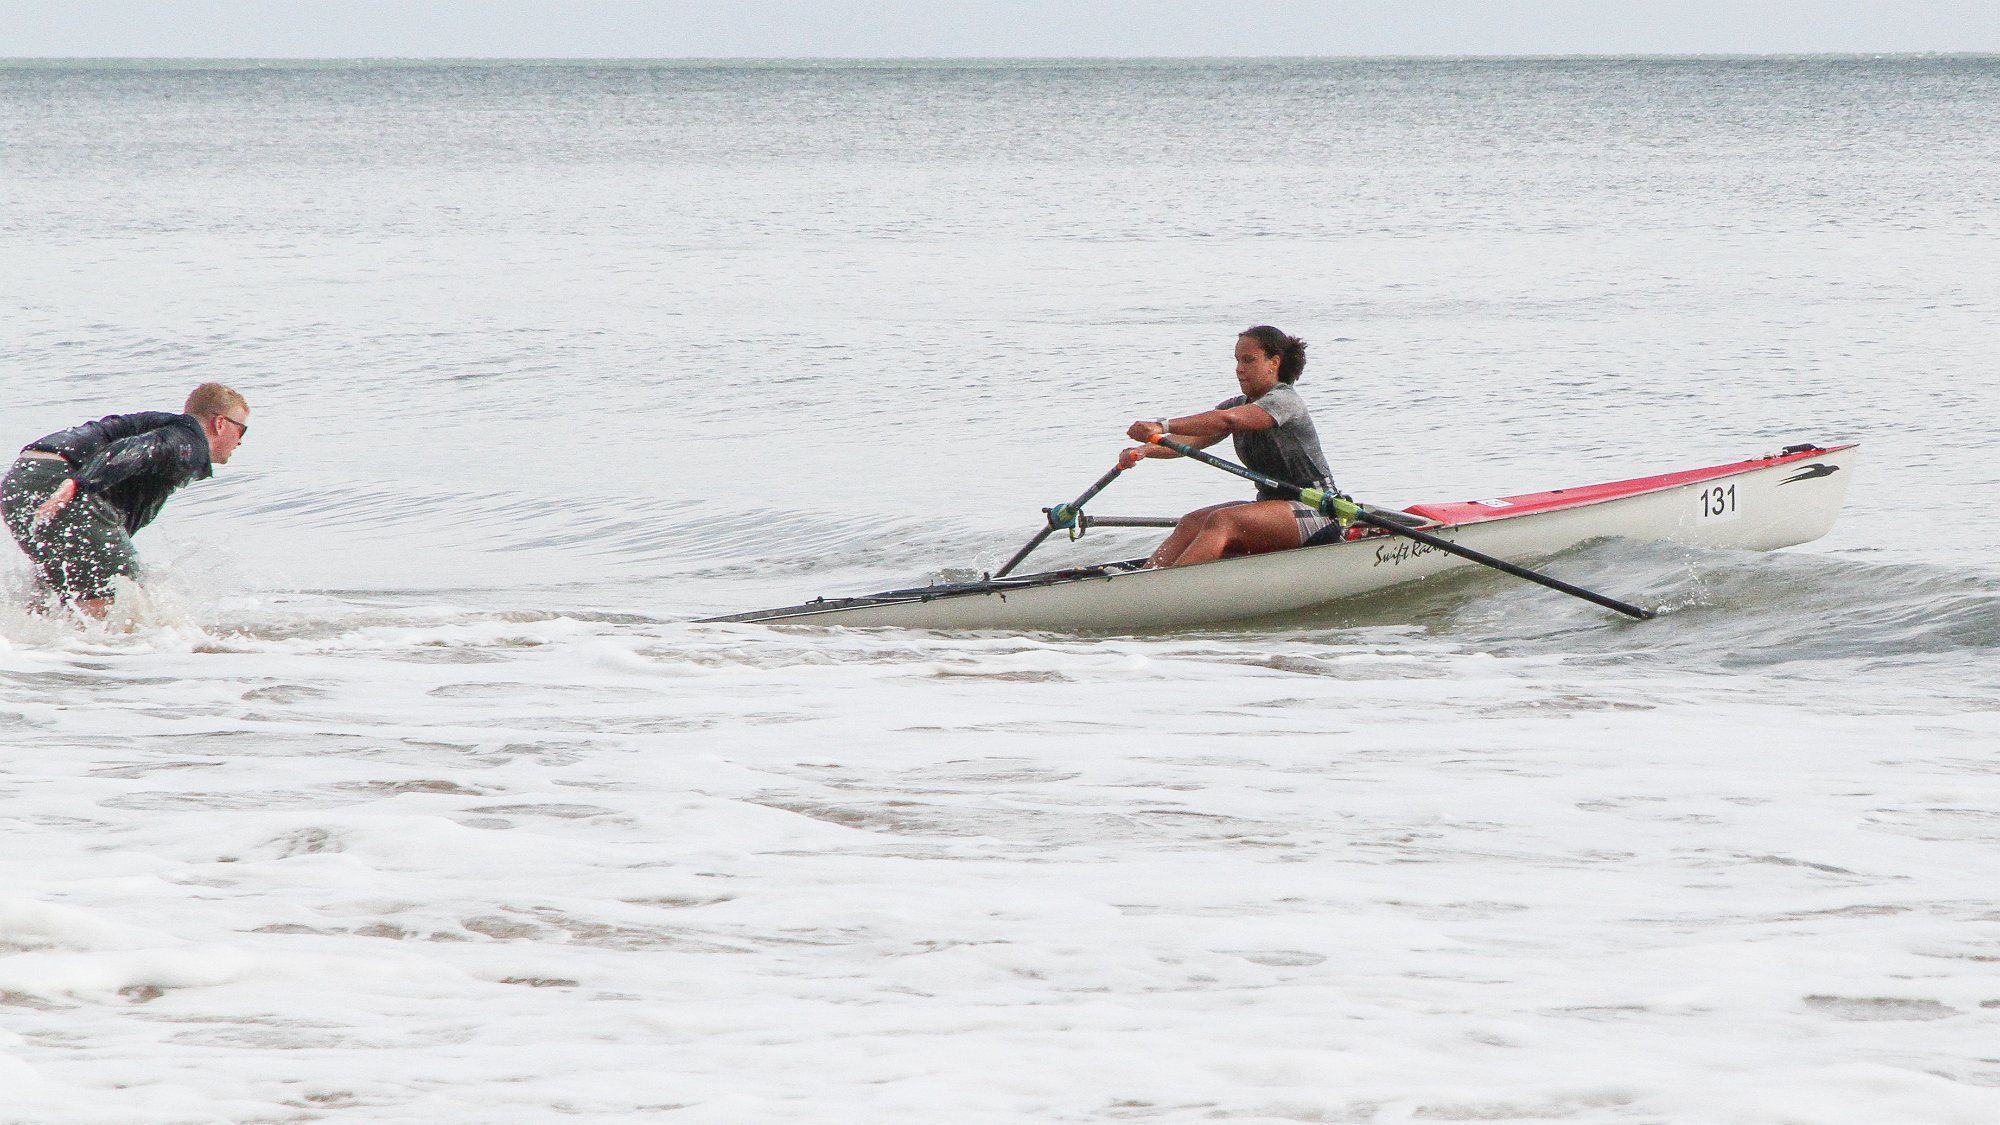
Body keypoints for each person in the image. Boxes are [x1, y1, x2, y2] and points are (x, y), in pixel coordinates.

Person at [2, 383, 250, 617]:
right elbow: (139, 448)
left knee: (62, 594)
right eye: (241, 430)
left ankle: (30, 651)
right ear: (220, 423)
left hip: (22, 480)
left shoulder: (166, 427)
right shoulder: (188, 441)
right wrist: (80, 482)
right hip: (60, 482)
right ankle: (96, 656)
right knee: (128, 594)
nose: (240, 441)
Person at [1120, 326, 1335, 568]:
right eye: (1237, 360)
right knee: (1191, 522)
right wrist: (1144, 451)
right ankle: (1149, 577)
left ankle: (1168, 588)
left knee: (1223, 520)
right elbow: (1188, 441)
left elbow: (1228, 419)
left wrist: (1162, 425)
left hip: (1318, 509)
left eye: (1248, 360)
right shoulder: (1237, 405)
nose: (1239, 369)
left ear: (1274, 362)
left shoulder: (1284, 401)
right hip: (1270, 506)